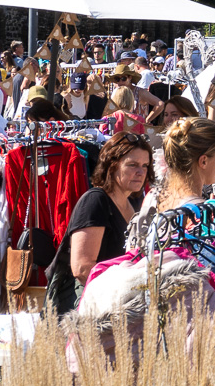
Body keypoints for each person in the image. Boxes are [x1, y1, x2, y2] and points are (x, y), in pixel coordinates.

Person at [51, 131, 152, 316]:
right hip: (94, 308)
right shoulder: (96, 201)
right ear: (112, 166)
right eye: (132, 165)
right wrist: (123, 292)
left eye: (145, 166)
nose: (141, 172)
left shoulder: (135, 202)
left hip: (120, 305)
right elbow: (82, 268)